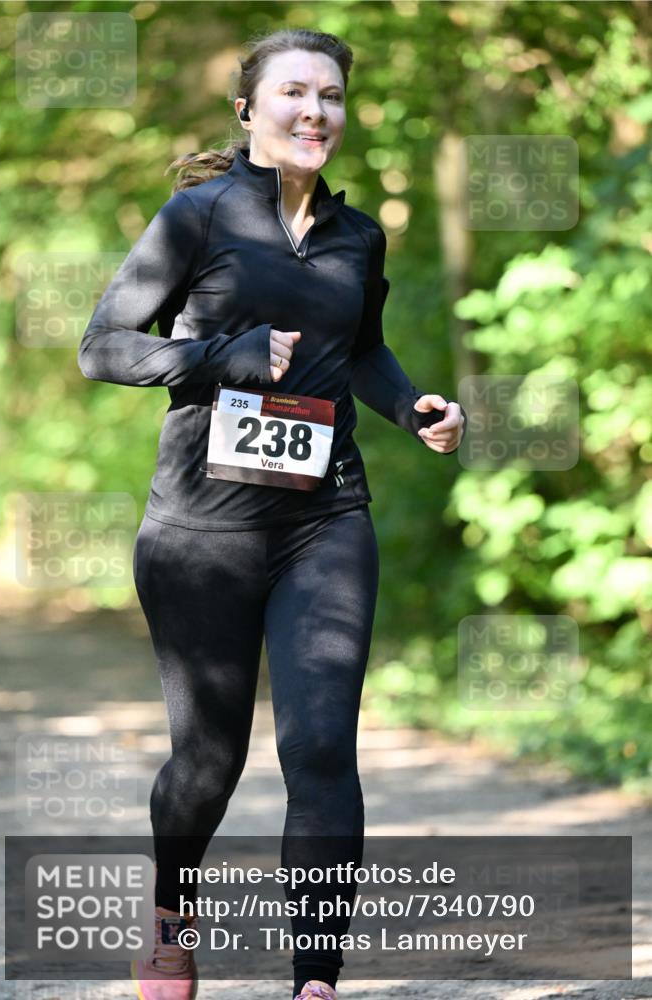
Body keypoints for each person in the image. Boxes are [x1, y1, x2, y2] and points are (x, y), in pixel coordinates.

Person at [78, 27, 465, 1000]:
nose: (315, 111)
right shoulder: (196, 217)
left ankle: (315, 978)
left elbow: (363, 349)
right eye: (294, 92)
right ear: (248, 110)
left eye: (331, 96)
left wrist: (413, 403)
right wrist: (219, 357)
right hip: (201, 527)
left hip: (323, 517)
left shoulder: (357, 233)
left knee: (323, 743)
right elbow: (103, 346)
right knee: (208, 756)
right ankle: (171, 921)